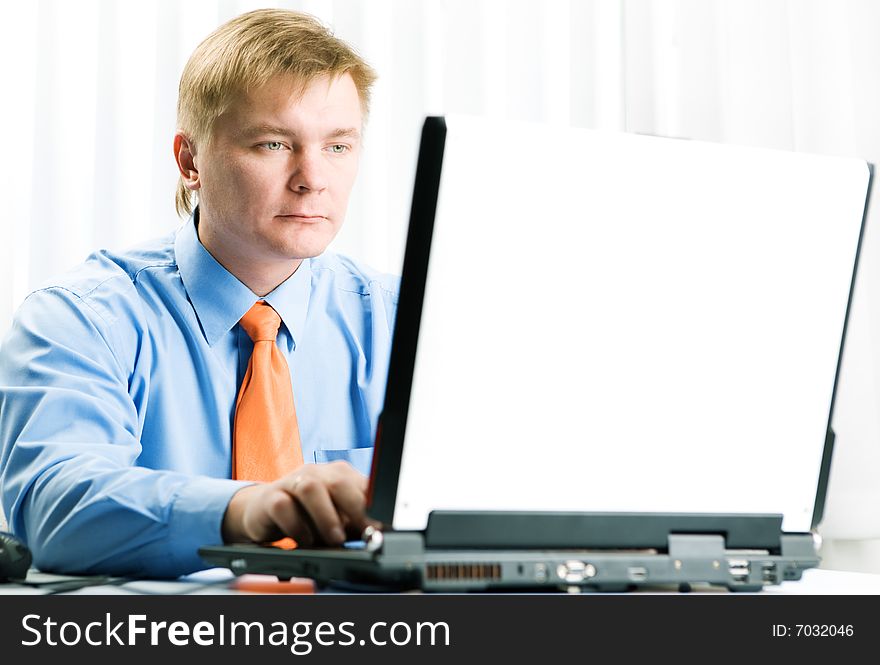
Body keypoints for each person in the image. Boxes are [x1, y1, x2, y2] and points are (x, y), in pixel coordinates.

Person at [0, 9, 397, 578]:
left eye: (337, 146)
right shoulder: (80, 319)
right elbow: (57, 507)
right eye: (272, 144)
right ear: (190, 161)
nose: (313, 177)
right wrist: (254, 508)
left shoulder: (404, 321)